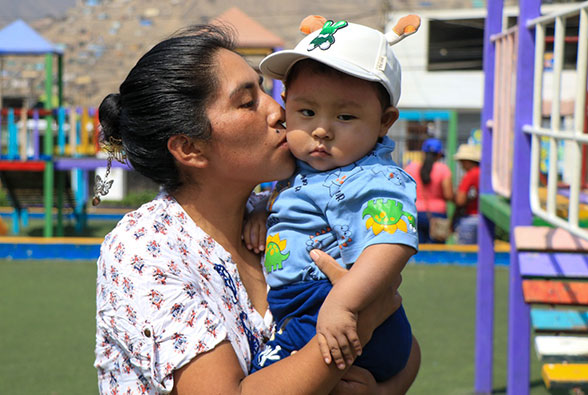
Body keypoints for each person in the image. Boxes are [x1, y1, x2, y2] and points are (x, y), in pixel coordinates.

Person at [94, 24, 420, 394]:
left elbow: (401, 339)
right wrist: (361, 318)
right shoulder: (145, 250)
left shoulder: (281, 209)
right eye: (248, 102)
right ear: (189, 148)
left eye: (267, 90)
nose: (278, 111)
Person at [243, 15, 420, 382]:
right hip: (305, 307)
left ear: (385, 121)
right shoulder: (301, 167)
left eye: (345, 116)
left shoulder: (375, 177)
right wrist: (263, 207)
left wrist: (344, 304)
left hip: (330, 306)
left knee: (265, 380)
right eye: (306, 112)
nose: (321, 129)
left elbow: (392, 242)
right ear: (286, 103)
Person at [403, 138, 453, 243]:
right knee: (437, 251)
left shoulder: (410, 167)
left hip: (414, 211)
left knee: (415, 247)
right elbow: (448, 195)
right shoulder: (443, 169)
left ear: (423, 153)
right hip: (437, 214)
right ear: (439, 154)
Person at [453, 143, 481, 244]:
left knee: (465, 254)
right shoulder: (483, 173)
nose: (461, 164)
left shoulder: (470, 175)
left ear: (468, 161)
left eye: (462, 162)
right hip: (484, 219)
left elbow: (460, 200)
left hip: (470, 218)